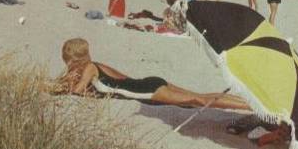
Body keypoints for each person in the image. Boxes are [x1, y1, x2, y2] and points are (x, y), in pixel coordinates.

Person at [56, 38, 251, 110]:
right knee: (199, 97)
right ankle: (250, 103)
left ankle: (252, 108)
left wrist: (72, 83)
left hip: (147, 91)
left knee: (198, 101)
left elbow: (77, 90)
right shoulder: (95, 65)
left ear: (74, 60)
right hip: (148, 82)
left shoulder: (90, 68)